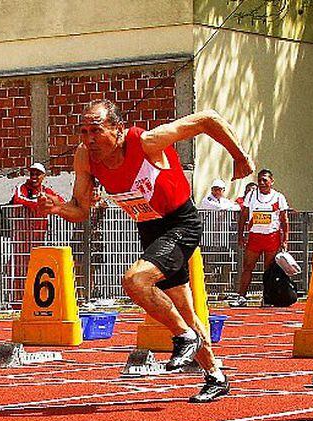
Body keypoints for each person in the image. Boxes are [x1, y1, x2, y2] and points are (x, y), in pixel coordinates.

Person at [37, 100, 254, 403]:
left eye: (96, 131)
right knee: (185, 309)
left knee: (135, 281)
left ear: (118, 129)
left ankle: (183, 337)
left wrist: (239, 156)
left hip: (181, 223)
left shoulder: (147, 142)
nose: (89, 139)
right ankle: (215, 376)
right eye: (84, 132)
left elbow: (207, 119)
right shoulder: (85, 157)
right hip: (150, 229)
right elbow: (81, 209)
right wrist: (58, 207)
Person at [230, 169, 289, 307]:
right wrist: (240, 235)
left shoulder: (278, 197)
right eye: (260, 180)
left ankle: (267, 297)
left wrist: (285, 239)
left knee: (268, 269)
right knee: (247, 266)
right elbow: (243, 216)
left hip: (272, 237)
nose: (262, 183)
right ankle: (241, 297)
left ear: (271, 181)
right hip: (255, 236)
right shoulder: (251, 195)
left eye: (265, 180)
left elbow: (284, 220)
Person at [8, 162, 62, 304]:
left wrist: (48, 202)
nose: (34, 176)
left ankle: (35, 299)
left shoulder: (46, 191)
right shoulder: (22, 188)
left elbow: (60, 202)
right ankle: (18, 301)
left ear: (43, 176)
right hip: (22, 237)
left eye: (38, 174)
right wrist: (38, 205)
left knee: (38, 268)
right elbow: (19, 199)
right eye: (32, 173)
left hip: (39, 237)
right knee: (20, 268)